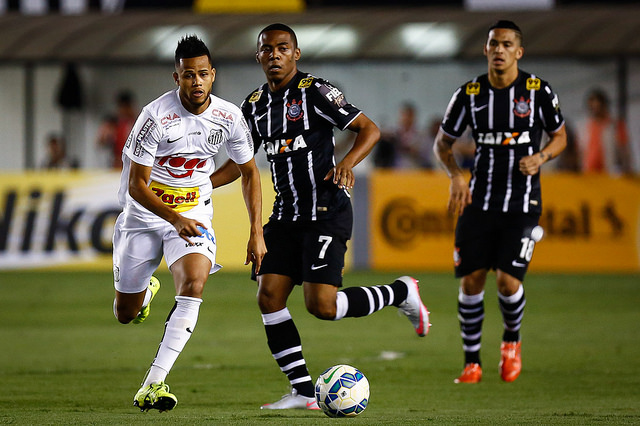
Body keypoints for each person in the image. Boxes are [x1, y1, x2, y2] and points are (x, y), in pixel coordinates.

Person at [211, 23, 430, 410]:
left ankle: (401, 292)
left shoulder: (315, 92)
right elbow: (241, 164)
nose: (274, 55)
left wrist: (347, 162)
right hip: (285, 215)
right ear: (258, 56)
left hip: (325, 211)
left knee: (322, 306)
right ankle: (301, 390)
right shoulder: (254, 105)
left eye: (283, 48)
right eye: (267, 49)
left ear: (296, 54)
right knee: (269, 296)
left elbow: (369, 129)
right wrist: (199, 184)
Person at [111, 35, 266, 412]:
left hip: (194, 213)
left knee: (194, 283)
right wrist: (174, 217)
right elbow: (136, 185)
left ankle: (153, 383)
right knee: (125, 313)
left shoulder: (229, 117)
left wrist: (256, 232)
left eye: (202, 74)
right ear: (176, 78)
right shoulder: (155, 117)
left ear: (213, 75)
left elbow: (248, 171)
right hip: (144, 216)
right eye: (188, 75)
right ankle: (145, 291)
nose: (196, 81)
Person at [433, 20, 567, 384]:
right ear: (485, 49)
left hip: (522, 203)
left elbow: (560, 136)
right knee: (471, 282)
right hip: (478, 203)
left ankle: (511, 341)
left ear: (518, 52)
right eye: (494, 44)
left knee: (507, 282)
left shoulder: (537, 91)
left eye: (507, 44)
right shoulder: (470, 94)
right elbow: (442, 144)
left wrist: (541, 158)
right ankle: (472, 363)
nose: (499, 50)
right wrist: (455, 175)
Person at [577, 88, 630, 175]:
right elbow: (579, 153)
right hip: (588, 175)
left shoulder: (615, 126)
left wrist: (627, 170)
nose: (595, 111)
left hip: (610, 174)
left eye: (598, 107)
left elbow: (625, 152)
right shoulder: (584, 128)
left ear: (604, 106)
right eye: (592, 108)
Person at [97, 90, 138, 169]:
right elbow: (100, 141)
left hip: (133, 165)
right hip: (117, 164)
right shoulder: (113, 123)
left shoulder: (138, 122)